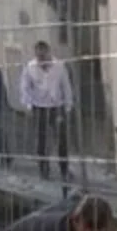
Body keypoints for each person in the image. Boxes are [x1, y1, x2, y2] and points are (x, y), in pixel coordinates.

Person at [18, 41, 74, 181]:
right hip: (39, 107)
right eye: (39, 57)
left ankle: (64, 170)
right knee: (41, 140)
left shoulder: (59, 66)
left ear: (49, 52)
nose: (41, 59)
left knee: (62, 140)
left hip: (57, 107)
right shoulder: (30, 67)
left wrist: (68, 106)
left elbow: (66, 85)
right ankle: (44, 169)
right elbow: (25, 88)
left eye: (43, 56)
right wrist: (29, 105)